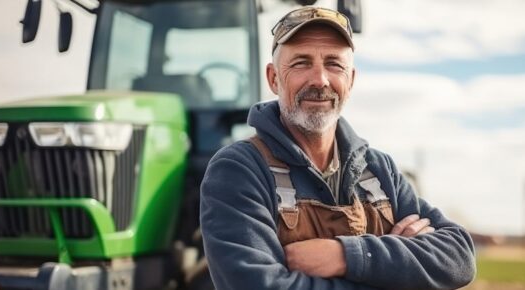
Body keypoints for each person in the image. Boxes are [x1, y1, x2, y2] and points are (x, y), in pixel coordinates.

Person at [200, 6, 476, 290]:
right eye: (301, 63)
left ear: (351, 79)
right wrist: (398, 270)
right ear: (273, 79)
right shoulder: (240, 169)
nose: (319, 80)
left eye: (334, 64)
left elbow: (459, 258)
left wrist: (346, 256)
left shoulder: (380, 171)